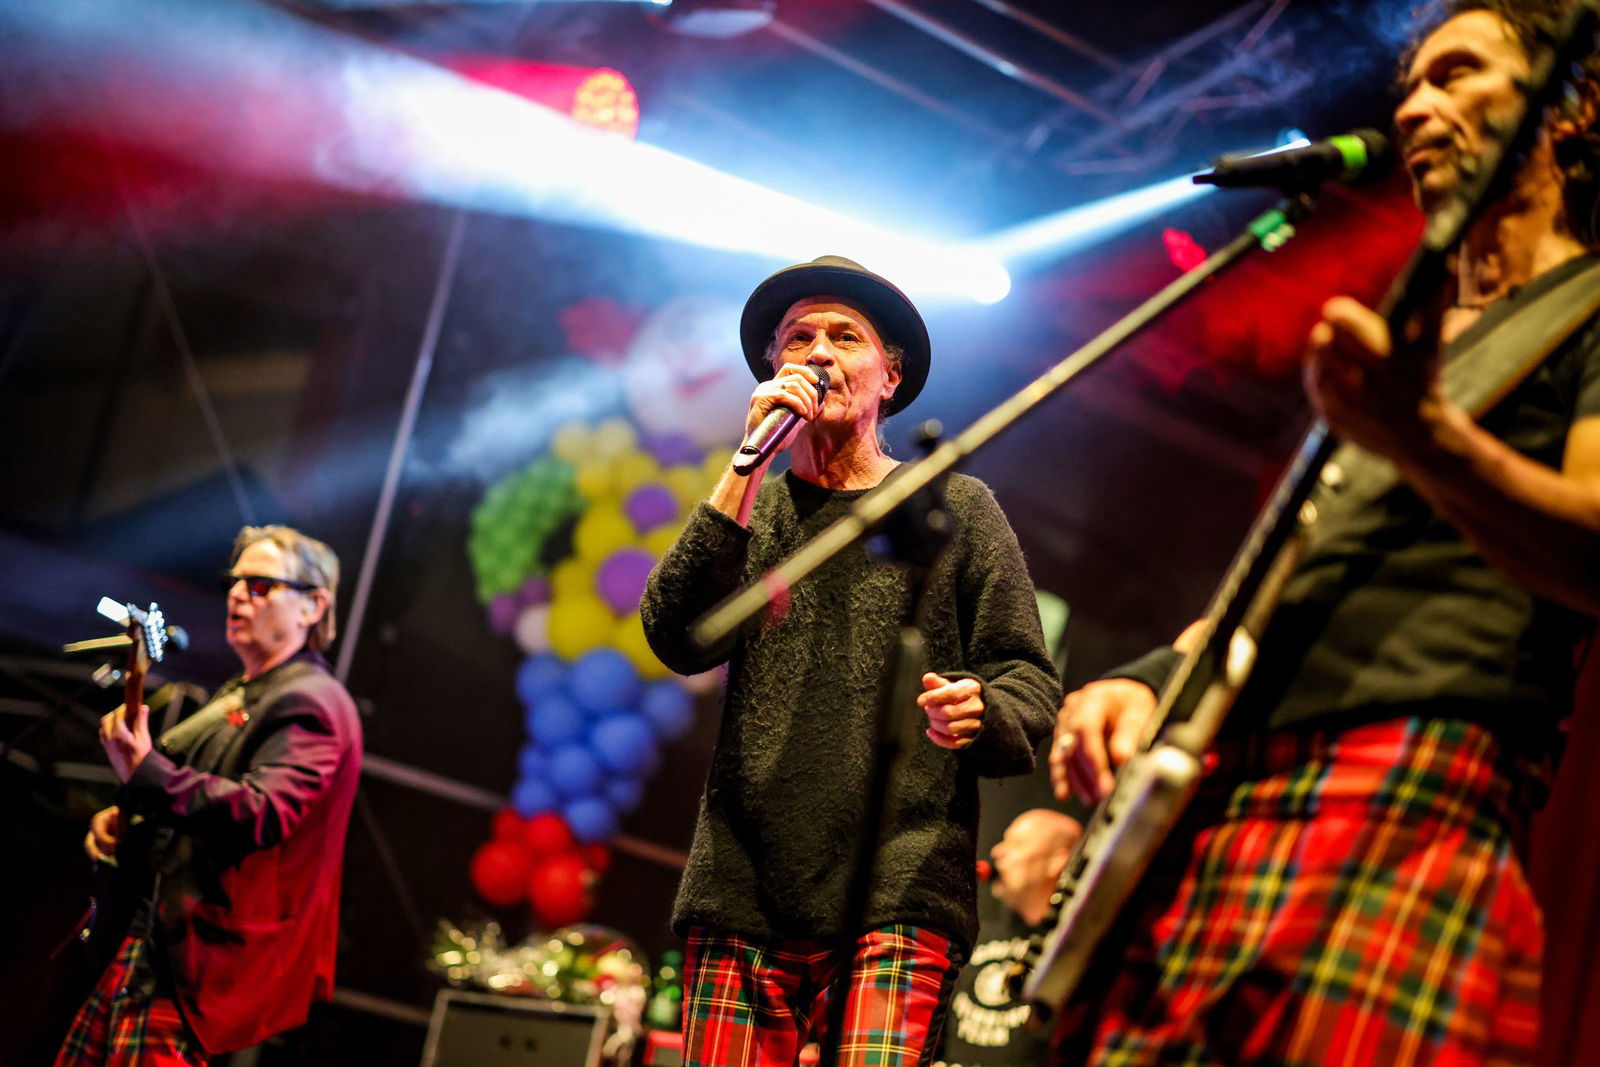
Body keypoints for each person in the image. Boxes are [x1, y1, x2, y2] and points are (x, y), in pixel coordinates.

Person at [1046, 2, 1600, 1063]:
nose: (1418, 108)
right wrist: (1154, 677)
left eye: (1457, 74)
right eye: (1410, 89)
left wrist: (1427, 437)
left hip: (1405, 771)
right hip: (1227, 783)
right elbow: (1298, 572)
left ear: (1568, 108)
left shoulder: (1586, 307)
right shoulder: (1406, 338)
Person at [642, 255, 1061, 1067]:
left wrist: (984, 706)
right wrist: (744, 466)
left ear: (890, 376)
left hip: (899, 889)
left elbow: (1028, 677)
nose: (819, 353)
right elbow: (675, 633)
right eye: (798, 338)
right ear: (772, 369)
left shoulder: (954, 509)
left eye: (845, 336)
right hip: (743, 888)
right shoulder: (750, 513)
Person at [57, 525, 363, 1065]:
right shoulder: (243, 692)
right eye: (234, 581)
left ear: (314, 606)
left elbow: (261, 811)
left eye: (262, 584)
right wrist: (125, 816)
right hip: (151, 952)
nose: (238, 594)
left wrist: (145, 772)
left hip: (197, 969)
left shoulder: (313, 701)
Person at [935, 808, 1081, 1067]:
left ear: (1057, 861)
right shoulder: (976, 938)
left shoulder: (1072, 953)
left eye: (1014, 844)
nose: (997, 852)